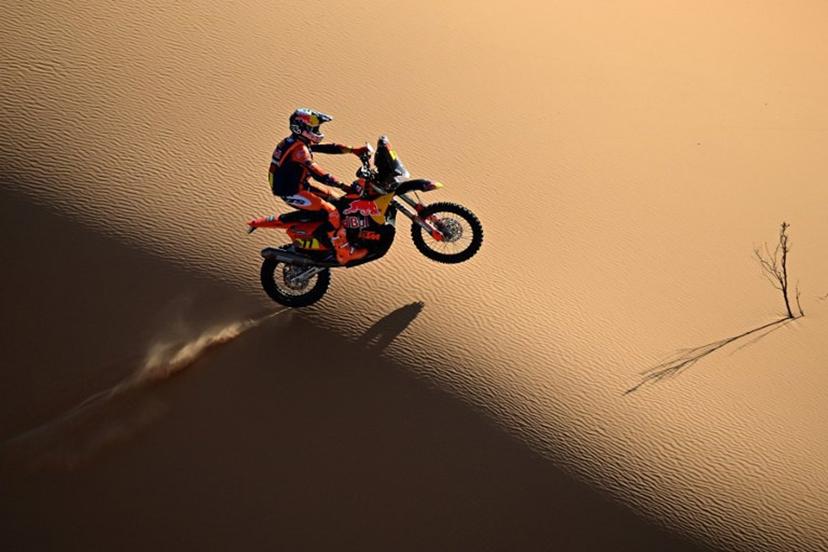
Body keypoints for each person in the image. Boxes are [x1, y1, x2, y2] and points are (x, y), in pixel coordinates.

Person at [269, 108, 371, 264]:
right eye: (313, 128)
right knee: (333, 213)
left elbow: (329, 148)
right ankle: (342, 251)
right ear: (300, 128)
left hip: (300, 186)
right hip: (292, 192)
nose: (316, 131)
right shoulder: (299, 150)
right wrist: (343, 185)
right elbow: (318, 173)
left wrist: (353, 150)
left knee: (340, 202)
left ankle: (327, 239)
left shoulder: (297, 141)